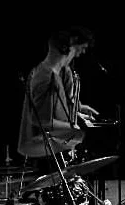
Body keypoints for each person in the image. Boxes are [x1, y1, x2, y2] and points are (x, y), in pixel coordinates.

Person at [18, 26, 100, 163]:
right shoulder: (45, 76)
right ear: (69, 44)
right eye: (80, 49)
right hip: (42, 144)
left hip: (56, 140)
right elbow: (42, 121)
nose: (80, 54)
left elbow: (57, 110)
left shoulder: (60, 73)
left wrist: (78, 110)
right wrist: (73, 127)